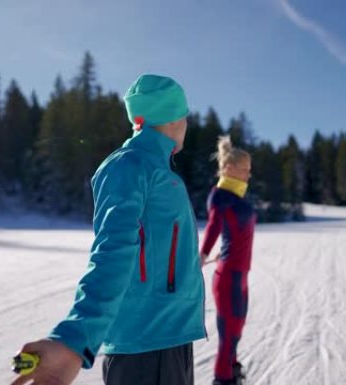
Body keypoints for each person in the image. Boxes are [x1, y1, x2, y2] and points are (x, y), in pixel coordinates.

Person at [11, 74, 206, 385]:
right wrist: (75, 338)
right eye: (184, 116)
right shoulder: (128, 167)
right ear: (171, 119)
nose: (186, 124)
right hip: (146, 345)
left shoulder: (159, 170)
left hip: (171, 337)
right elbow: (112, 250)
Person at [200, 136, 255, 385]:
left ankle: (232, 373)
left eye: (249, 170)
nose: (248, 174)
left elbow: (234, 231)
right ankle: (222, 380)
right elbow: (213, 226)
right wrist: (203, 254)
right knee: (228, 336)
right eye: (245, 169)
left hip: (240, 275)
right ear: (229, 168)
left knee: (237, 331)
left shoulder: (238, 196)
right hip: (228, 276)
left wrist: (225, 246)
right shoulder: (220, 195)